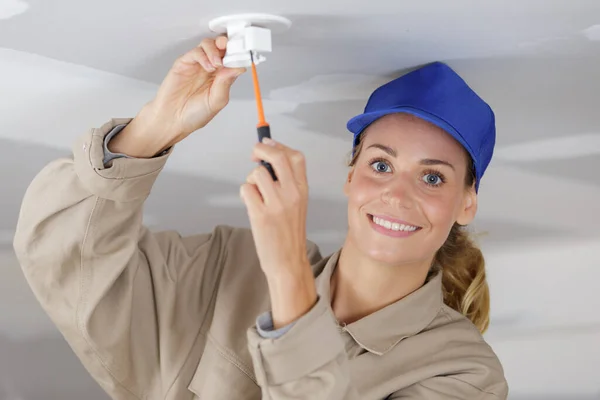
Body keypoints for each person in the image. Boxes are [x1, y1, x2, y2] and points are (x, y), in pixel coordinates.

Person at [13, 36, 508, 399]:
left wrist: (290, 271)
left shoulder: (463, 374)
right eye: (381, 164)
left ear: (467, 202)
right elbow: (60, 256)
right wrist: (154, 127)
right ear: (351, 174)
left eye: (433, 178)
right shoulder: (230, 267)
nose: (398, 193)